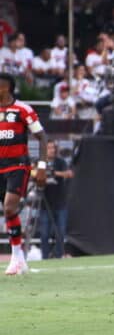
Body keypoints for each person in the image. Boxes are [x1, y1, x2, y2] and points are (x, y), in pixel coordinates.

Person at [0, 74, 47, 275]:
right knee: (9, 211)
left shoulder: (23, 109)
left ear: (7, 88)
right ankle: (20, 260)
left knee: (10, 207)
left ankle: (16, 257)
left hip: (18, 165)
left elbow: (42, 137)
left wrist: (42, 166)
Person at [34, 141, 72, 260]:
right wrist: (41, 174)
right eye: (49, 147)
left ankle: (58, 255)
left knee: (60, 232)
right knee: (44, 233)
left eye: (53, 148)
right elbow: (33, 173)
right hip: (45, 202)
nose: (51, 150)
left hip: (60, 202)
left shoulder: (60, 162)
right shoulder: (40, 163)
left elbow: (69, 174)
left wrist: (54, 173)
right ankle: (45, 257)